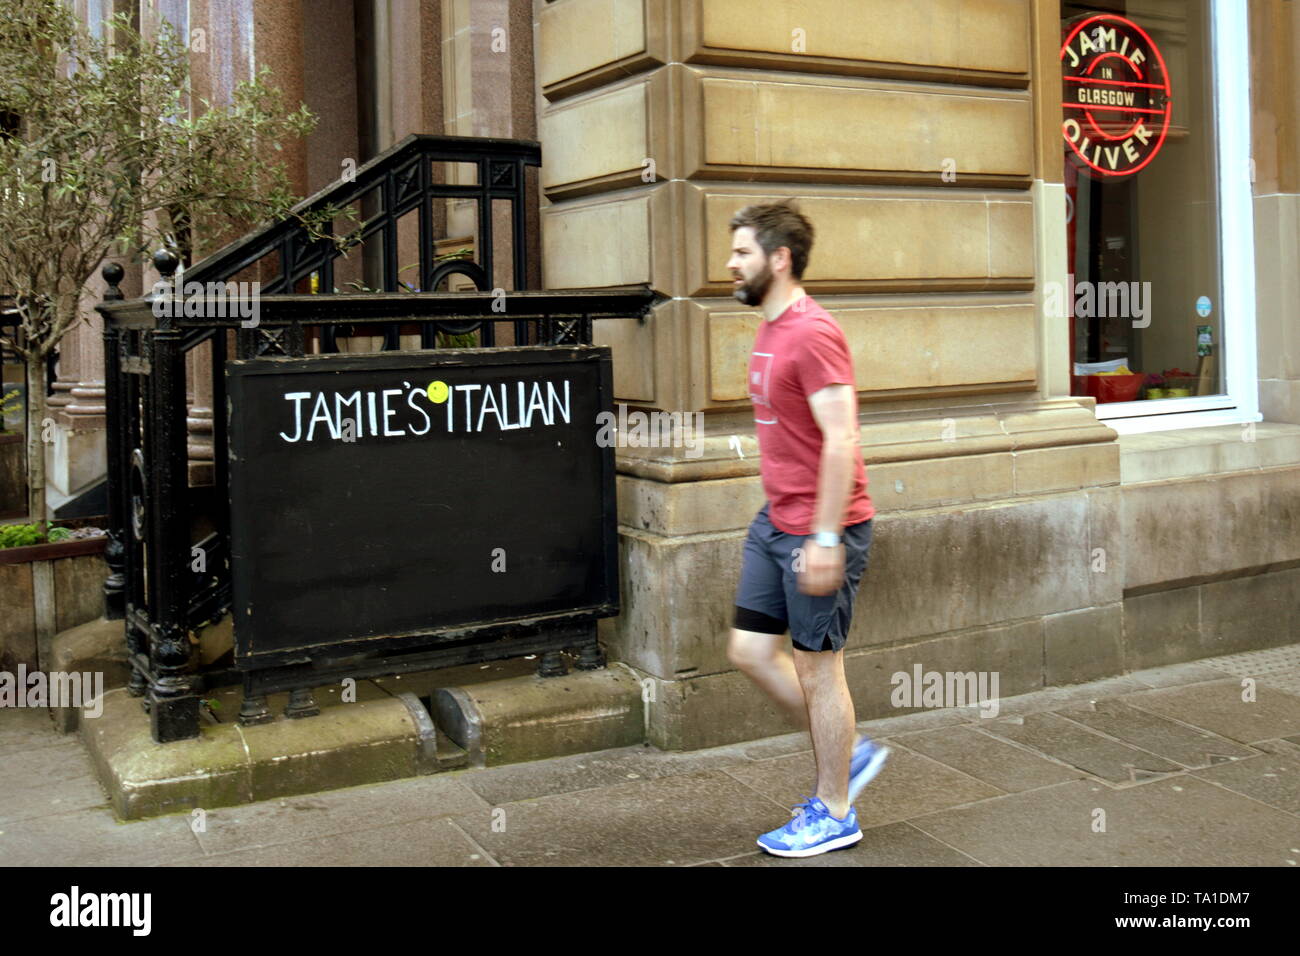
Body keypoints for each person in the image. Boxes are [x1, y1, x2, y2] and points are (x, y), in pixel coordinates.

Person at [725, 200, 889, 858]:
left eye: (742, 252)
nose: (730, 263)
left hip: (822, 527)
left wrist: (823, 538)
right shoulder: (770, 328)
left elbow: (842, 437)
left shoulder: (812, 332)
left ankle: (834, 810)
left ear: (779, 258)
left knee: (819, 670)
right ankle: (849, 751)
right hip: (776, 520)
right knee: (749, 650)